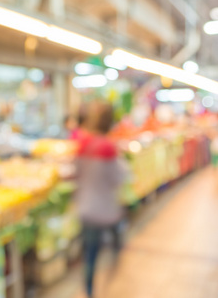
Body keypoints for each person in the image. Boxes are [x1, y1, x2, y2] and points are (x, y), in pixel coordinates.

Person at [74, 101, 128, 298]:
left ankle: (88, 291)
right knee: (115, 242)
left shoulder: (83, 144)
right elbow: (119, 178)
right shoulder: (108, 148)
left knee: (90, 255)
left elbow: (75, 173)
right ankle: (115, 274)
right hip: (106, 210)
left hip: (86, 208)